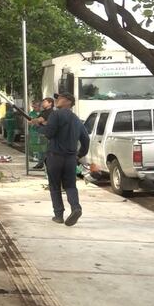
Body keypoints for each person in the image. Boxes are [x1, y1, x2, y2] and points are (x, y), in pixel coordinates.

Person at [37, 92, 89, 226]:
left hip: (55, 157)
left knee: (54, 186)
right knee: (70, 185)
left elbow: (49, 133)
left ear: (68, 102)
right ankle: (76, 207)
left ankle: (58, 215)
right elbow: (85, 139)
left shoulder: (56, 114)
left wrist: (38, 126)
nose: (57, 100)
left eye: (60, 98)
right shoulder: (77, 119)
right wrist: (79, 155)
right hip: (71, 158)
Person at [29, 97, 54, 169]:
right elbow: (35, 121)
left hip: (47, 135)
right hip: (42, 134)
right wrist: (37, 122)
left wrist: (38, 121)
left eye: (45, 102)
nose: (43, 103)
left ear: (50, 103)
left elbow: (38, 120)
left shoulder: (50, 112)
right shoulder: (44, 112)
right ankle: (41, 163)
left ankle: (47, 167)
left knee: (47, 152)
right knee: (42, 150)